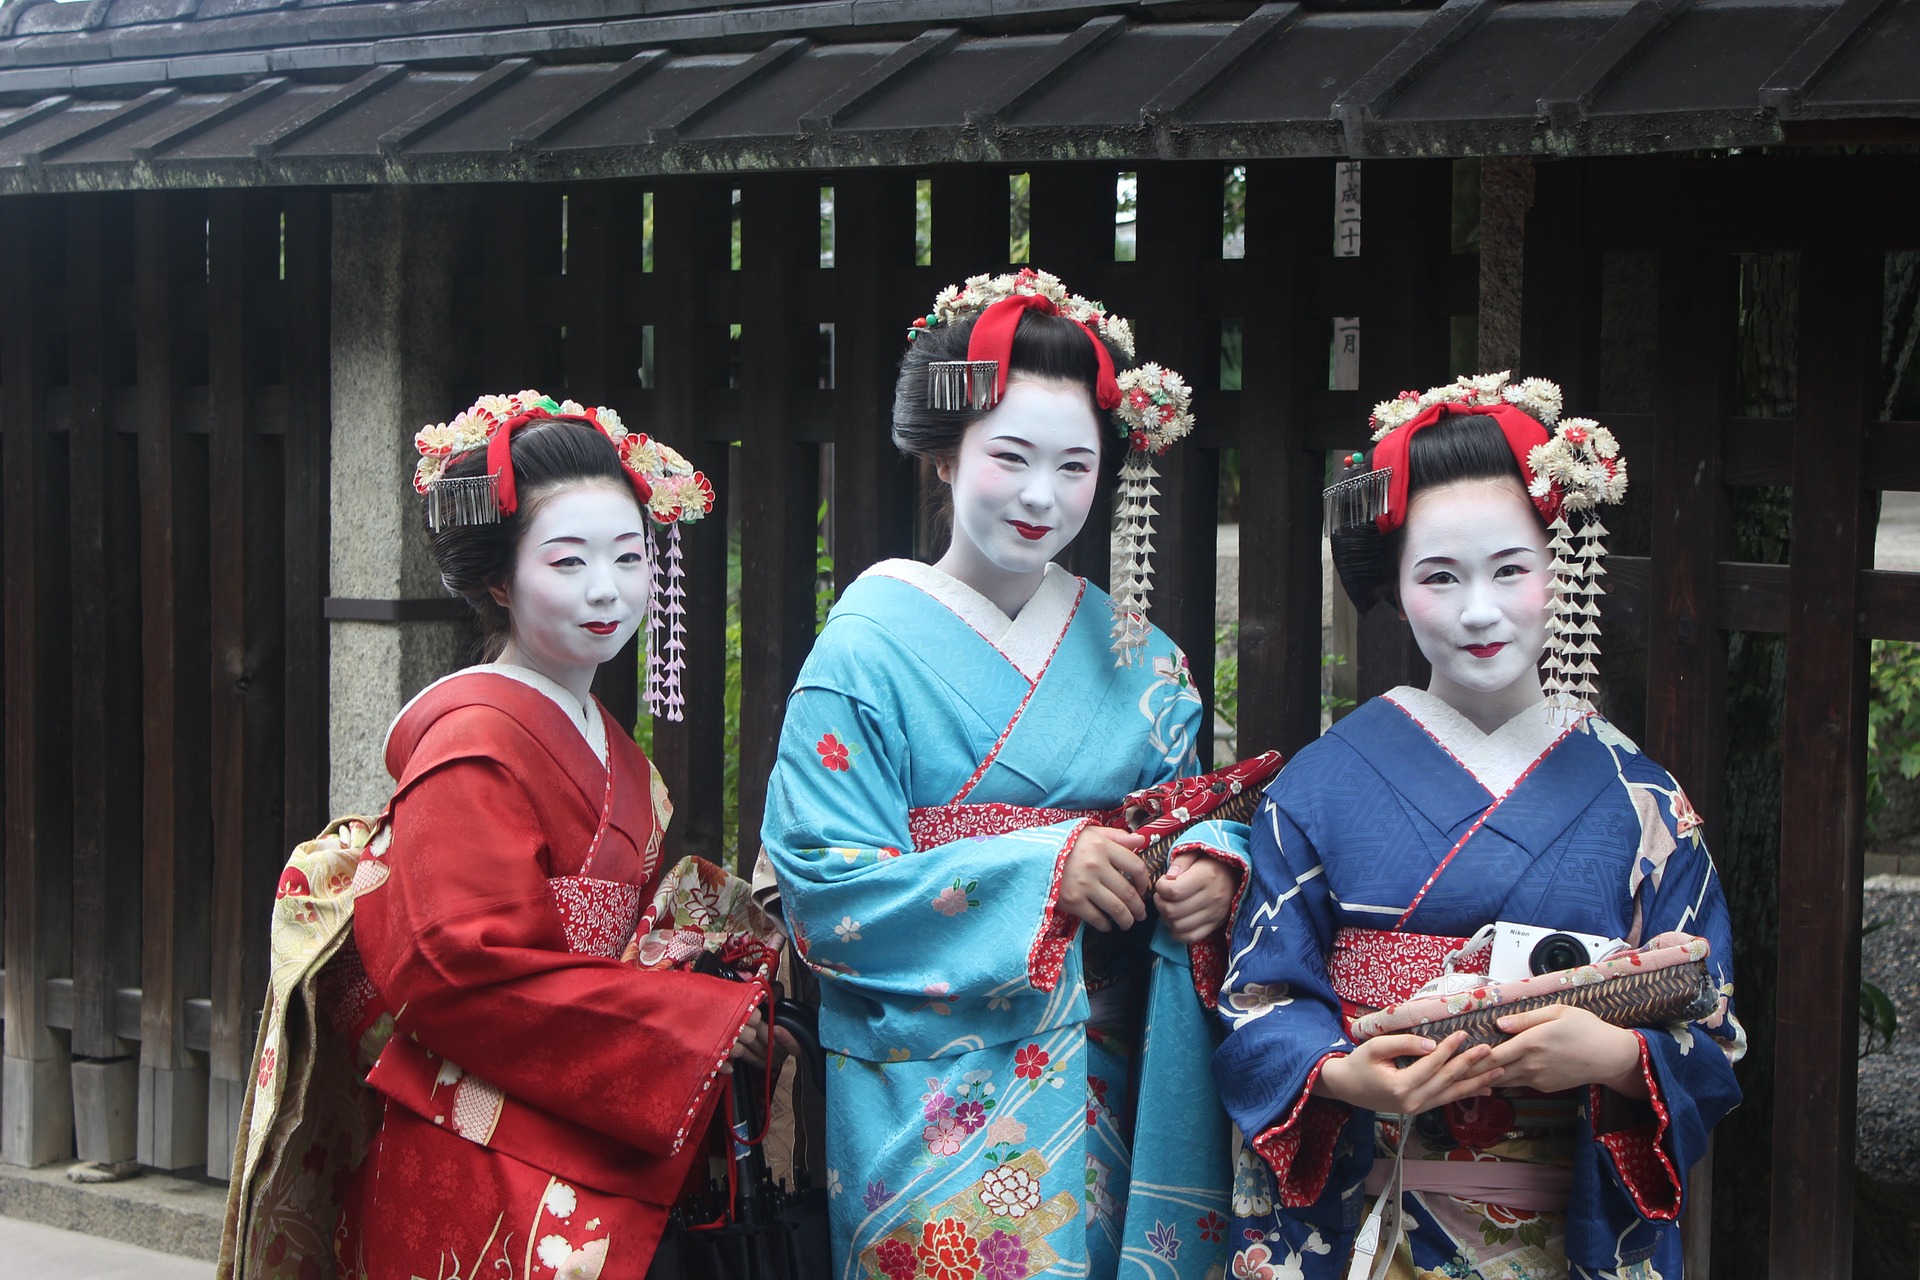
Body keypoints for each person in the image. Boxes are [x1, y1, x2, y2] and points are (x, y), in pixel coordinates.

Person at [759, 269, 1266, 1280]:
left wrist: (1212, 859)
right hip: (935, 1086)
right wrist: (1045, 871)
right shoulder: (864, 647)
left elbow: (1190, 812)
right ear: (945, 455)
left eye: (1075, 465)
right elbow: (821, 883)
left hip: (1108, 1071)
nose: (1043, 494)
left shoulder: (1146, 661)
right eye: (1011, 456)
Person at [219, 391, 776, 1280]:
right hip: (475, 1136)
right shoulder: (470, 744)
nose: (608, 589)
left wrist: (702, 988)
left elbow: (620, 943)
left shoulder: (611, 748)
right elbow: (458, 967)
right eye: (568, 561)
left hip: (584, 1103)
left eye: (630, 558)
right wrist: (686, 1024)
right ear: (495, 581)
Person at [1213, 374, 1744, 1280]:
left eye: (1511, 569)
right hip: (1373, 1217)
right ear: (1394, 585)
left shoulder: (1641, 797)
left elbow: (1713, 1022)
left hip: (1563, 1220)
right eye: (1439, 576)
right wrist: (1344, 1074)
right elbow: (1255, 999)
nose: (1479, 611)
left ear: (1560, 565)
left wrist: (1617, 1056)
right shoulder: (1321, 785)